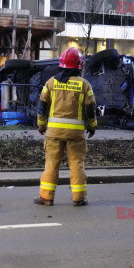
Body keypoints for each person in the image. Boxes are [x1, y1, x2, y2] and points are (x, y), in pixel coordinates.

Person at [34, 47, 97, 207]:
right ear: (78, 65)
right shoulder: (84, 85)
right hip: (75, 134)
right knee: (77, 164)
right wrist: (92, 126)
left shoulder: (51, 82)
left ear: (61, 64)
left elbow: (42, 107)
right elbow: (90, 109)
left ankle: (46, 197)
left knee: (51, 164)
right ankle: (79, 198)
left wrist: (41, 125)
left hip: (54, 133)